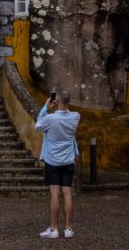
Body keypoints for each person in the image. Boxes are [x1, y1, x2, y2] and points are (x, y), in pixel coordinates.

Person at [35, 89, 81, 239]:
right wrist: (62, 102)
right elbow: (69, 111)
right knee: (67, 193)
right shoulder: (75, 116)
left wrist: (46, 107)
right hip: (68, 160)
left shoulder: (51, 118)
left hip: (53, 160)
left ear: (57, 101)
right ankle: (68, 229)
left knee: (55, 193)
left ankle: (54, 229)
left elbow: (38, 125)